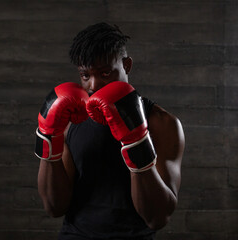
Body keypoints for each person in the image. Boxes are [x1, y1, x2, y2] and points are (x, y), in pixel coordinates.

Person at [35, 22, 185, 240]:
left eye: (105, 72)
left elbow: (157, 218)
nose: (94, 85)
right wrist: (48, 136)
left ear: (127, 65)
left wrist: (137, 142)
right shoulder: (70, 121)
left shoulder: (162, 123)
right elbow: (53, 207)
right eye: (85, 75)